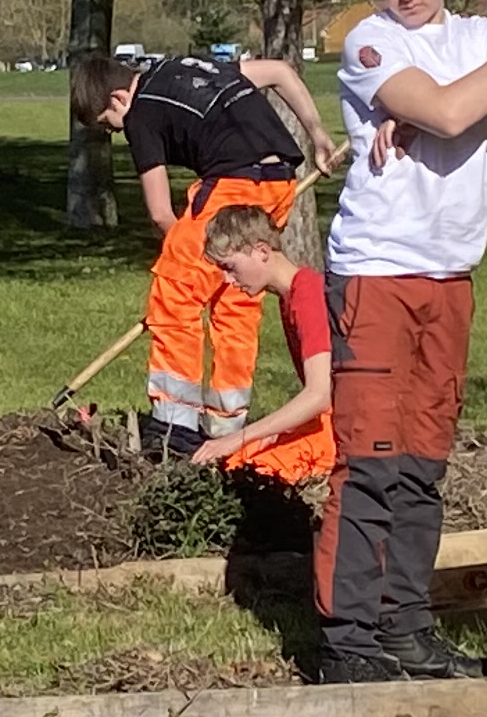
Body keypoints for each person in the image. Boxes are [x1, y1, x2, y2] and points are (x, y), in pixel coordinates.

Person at [316, 0, 487, 680]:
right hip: (377, 274)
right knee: (372, 461)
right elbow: (458, 111)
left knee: (423, 462)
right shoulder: (369, 46)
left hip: (450, 274)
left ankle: (406, 627)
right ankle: (350, 642)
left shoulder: (477, 36)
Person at [70, 43, 338, 456]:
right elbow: (282, 72)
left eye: (110, 125)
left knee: (177, 288)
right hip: (279, 180)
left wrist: (192, 257)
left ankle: (174, 430)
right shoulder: (191, 67)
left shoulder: (140, 111)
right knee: (236, 293)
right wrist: (317, 132)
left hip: (234, 180)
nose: (117, 132)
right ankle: (224, 426)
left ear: (118, 98)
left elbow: (160, 212)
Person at [178, 202, 336, 488]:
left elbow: (320, 395)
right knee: (236, 460)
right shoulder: (292, 297)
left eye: (231, 267)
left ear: (262, 251)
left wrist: (240, 436)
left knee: (253, 471)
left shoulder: (308, 297)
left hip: (350, 429)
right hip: (331, 421)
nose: (228, 279)